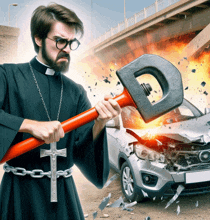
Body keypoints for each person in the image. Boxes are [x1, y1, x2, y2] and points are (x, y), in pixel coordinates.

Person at [0, 3, 121, 220]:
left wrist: (100, 123)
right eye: (60, 41)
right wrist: (28, 125)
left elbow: (83, 150)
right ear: (38, 38)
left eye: (71, 42)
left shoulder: (75, 92)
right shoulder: (8, 76)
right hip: (20, 194)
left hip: (64, 195)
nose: (67, 48)